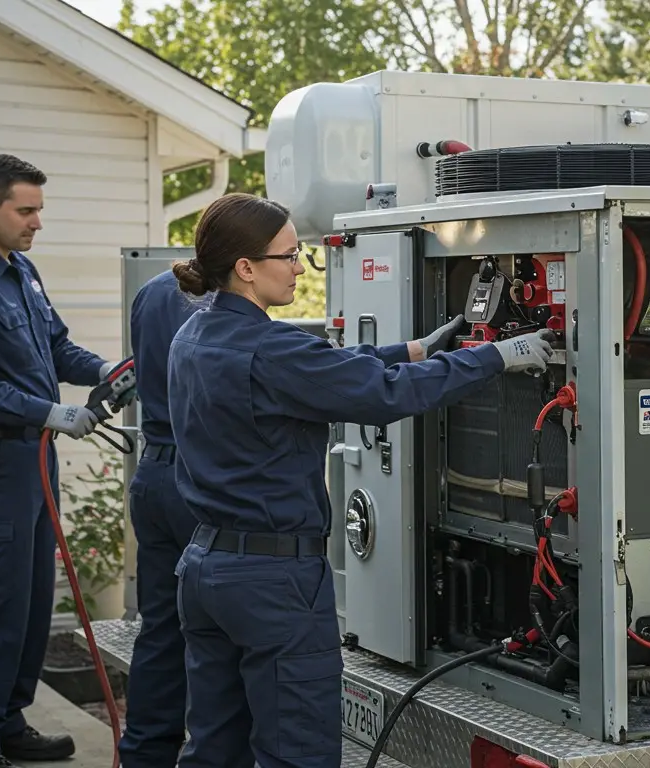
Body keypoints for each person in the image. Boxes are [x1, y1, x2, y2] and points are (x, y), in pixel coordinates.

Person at [165, 192, 555, 767]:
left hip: (205, 569)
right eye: (290, 255)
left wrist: (416, 348)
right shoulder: (271, 350)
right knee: (296, 752)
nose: (300, 267)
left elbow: (332, 372)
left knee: (212, 748)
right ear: (246, 268)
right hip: (274, 583)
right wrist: (497, 357)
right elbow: (382, 395)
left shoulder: (193, 338)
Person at [0, 153, 126, 768]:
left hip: (32, 461)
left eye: (40, 209)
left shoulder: (20, 271)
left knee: (34, 603)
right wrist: (51, 413)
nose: (38, 222)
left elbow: (55, 345)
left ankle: (6, 722)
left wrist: (107, 371)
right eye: (27, 210)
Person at [115, 267, 202, 766]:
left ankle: (144, 755)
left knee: (161, 630)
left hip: (153, 477)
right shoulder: (218, 303)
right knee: (219, 640)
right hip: (197, 480)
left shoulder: (152, 291)